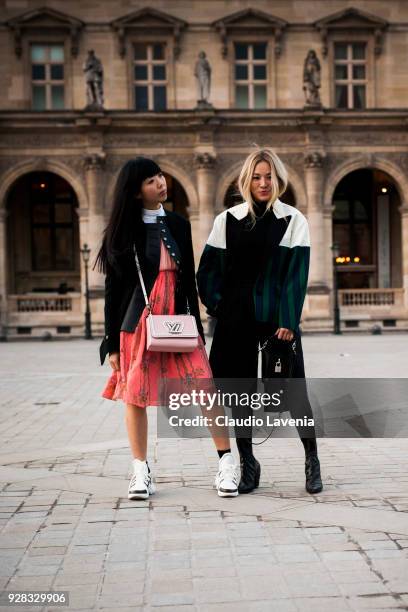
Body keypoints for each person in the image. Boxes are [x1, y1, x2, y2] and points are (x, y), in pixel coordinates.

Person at [94, 157, 238, 500]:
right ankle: (140, 471)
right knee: (135, 395)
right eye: (150, 180)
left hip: (178, 319)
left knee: (206, 389)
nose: (160, 182)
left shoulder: (177, 223)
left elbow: (187, 278)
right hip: (137, 323)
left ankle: (227, 463)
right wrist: (111, 342)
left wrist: (201, 327)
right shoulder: (122, 230)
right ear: (134, 192)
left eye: (160, 176)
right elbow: (113, 291)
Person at [197, 147, 323, 495]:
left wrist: (287, 319)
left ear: (278, 180)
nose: (263, 183)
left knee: (294, 391)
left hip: (276, 319)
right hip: (235, 319)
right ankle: (248, 462)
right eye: (257, 177)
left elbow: (297, 276)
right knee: (238, 394)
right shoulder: (227, 220)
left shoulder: (293, 220)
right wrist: (220, 307)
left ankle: (312, 459)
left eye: (269, 177)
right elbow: (207, 273)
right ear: (246, 181)